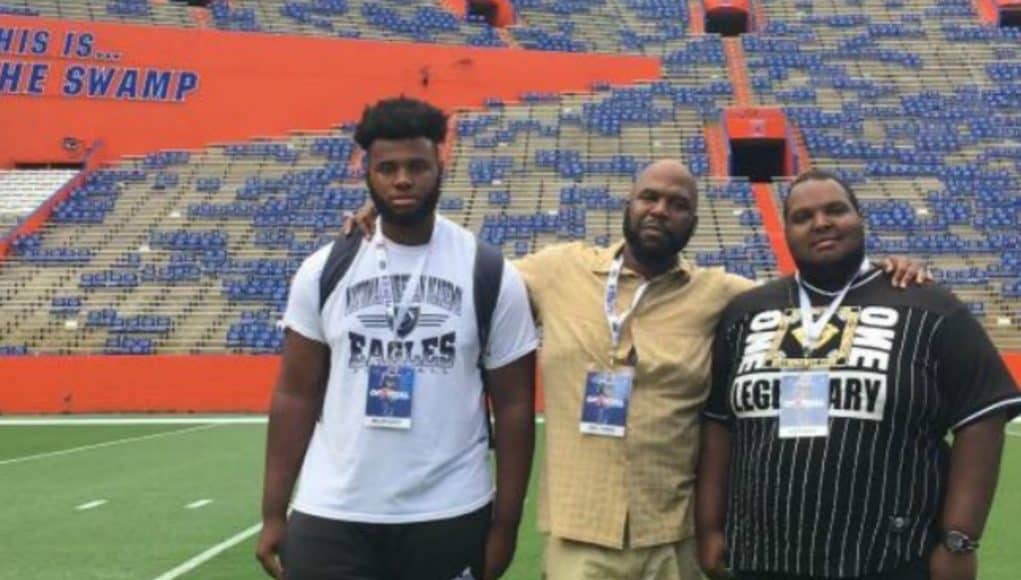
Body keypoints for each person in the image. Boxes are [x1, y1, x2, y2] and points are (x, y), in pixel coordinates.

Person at [343, 160, 930, 579]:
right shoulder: (557, 270)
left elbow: (812, 290)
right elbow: (465, 276)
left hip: (672, 538)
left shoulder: (724, 295)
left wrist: (883, 271)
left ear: (694, 221)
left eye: (678, 204)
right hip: (581, 536)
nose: (661, 210)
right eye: (650, 196)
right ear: (628, 204)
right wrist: (398, 220)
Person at [256, 97, 539, 580]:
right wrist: (274, 512)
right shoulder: (324, 270)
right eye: (387, 167)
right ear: (367, 172)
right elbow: (295, 394)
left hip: (449, 511)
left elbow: (513, 406)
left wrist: (506, 524)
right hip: (333, 512)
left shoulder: (489, 272)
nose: (402, 179)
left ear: (440, 167)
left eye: (416, 166)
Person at [697, 169, 1021, 580]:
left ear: (860, 218)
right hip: (761, 559)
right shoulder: (747, 313)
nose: (821, 223)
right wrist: (708, 528)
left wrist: (959, 538)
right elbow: (719, 426)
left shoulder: (927, 305)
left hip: (887, 559)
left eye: (836, 210)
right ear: (786, 231)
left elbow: (982, 416)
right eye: (802, 216)